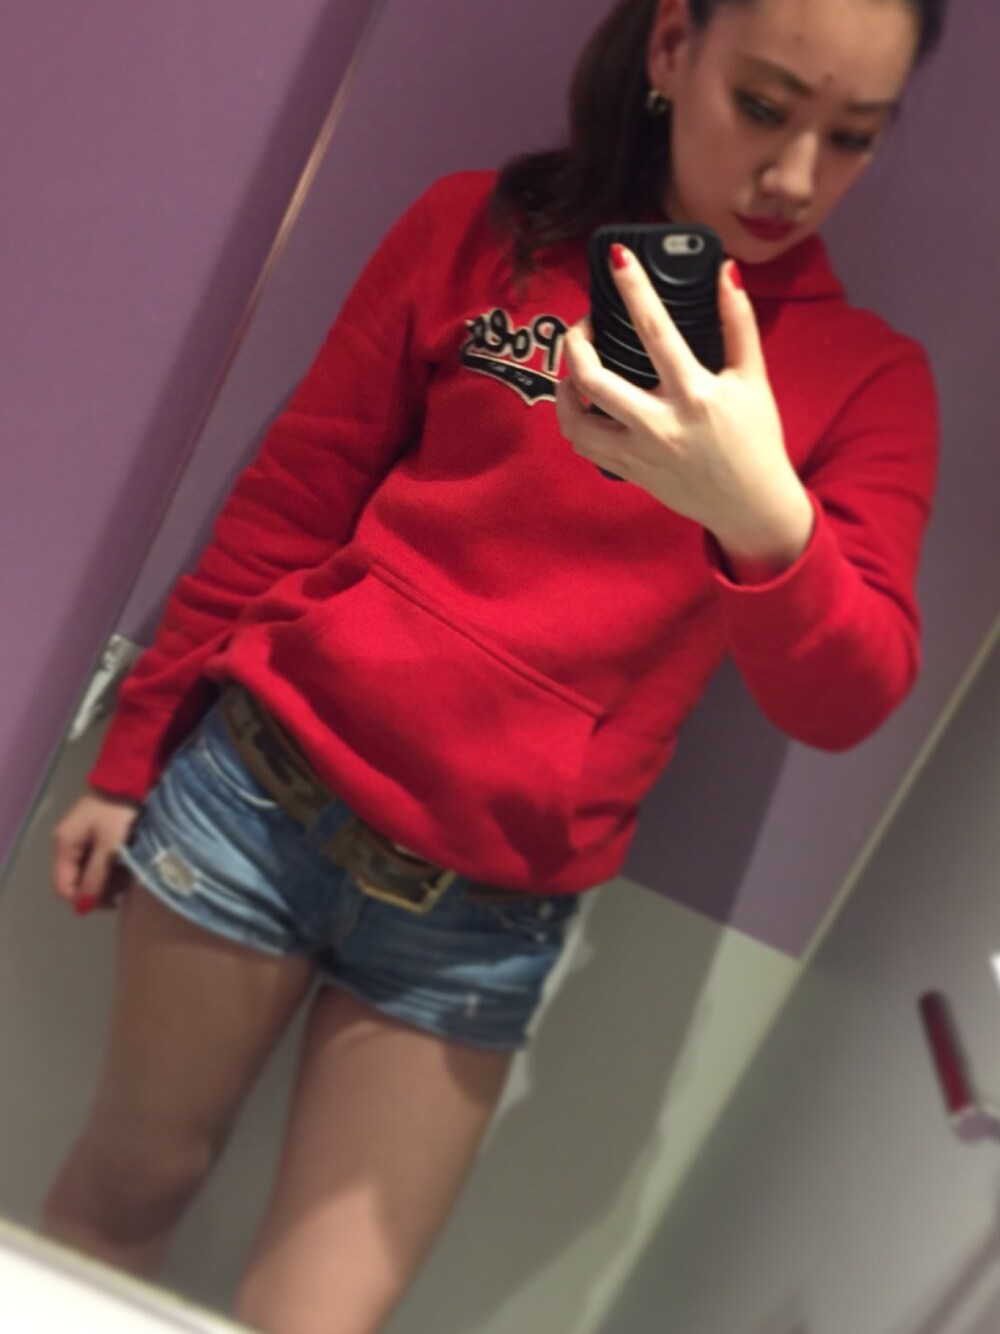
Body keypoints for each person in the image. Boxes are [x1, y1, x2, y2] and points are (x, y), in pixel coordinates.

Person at [44, 0, 949, 1330]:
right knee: (123, 1197)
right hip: (258, 798)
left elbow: (847, 696)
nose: (797, 175)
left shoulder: (867, 383)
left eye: (854, 135)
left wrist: (762, 515)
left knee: (319, 1317)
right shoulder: (482, 230)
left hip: (481, 915)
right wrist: (133, 754)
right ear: (672, 49)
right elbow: (293, 501)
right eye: (765, 106)